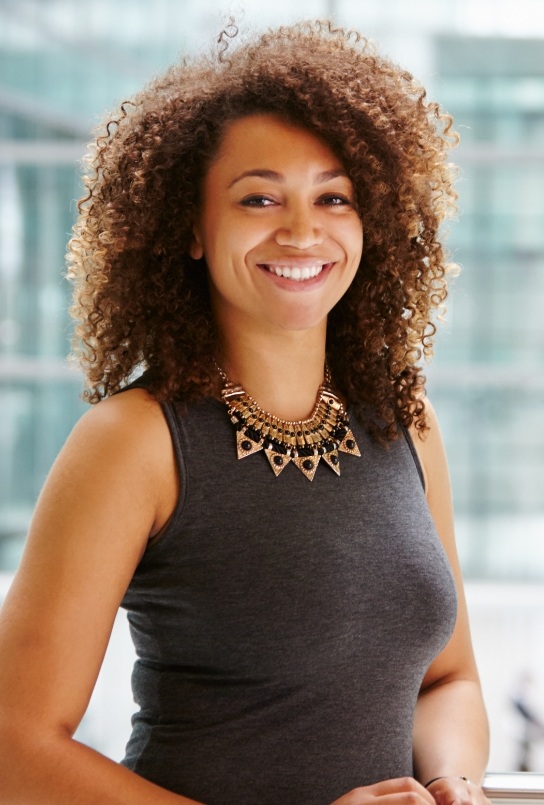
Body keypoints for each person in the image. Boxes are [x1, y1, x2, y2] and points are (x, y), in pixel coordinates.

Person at [0, 19, 491, 805]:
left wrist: (451, 781)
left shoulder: (404, 419)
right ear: (192, 228)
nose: (303, 230)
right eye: (258, 197)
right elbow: (14, 747)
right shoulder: (136, 441)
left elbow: (450, 677)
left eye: (335, 196)